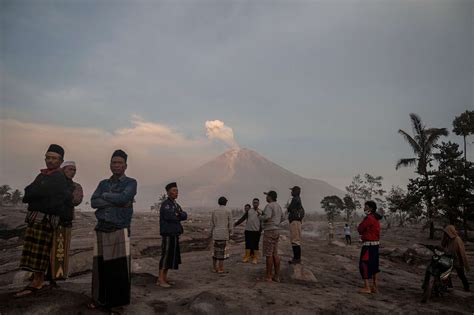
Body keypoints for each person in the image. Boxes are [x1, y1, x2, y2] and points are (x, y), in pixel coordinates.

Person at [14, 144, 72, 298]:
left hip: (46, 220)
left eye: (54, 158)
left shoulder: (59, 177)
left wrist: (37, 196)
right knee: (33, 251)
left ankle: (38, 282)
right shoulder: (42, 175)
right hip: (36, 219)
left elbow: (48, 201)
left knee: (40, 251)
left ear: (60, 161)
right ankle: (36, 279)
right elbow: (27, 194)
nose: (50, 161)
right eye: (48, 157)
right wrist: (38, 196)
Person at [88, 150, 137, 313]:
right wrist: (116, 199)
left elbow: (125, 198)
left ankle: (117, 303)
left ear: (125, 165)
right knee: (100, 266)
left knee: (118, 267)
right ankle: (100, 299)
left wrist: (107, 197)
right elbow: (94, 202)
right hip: (101, 228)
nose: (116, 165)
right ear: (110, 164)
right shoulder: (103, 183)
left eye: (119, 163)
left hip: (118, 228)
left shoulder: (131, 182)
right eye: (113, 162)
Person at [47, 160, 83, 286]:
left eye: (74, 170)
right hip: (49, 220)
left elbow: (76, 200)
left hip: (65, 221)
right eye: (70, 169)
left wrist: (62, 196)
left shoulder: (76, 186)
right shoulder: (54, 182)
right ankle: (42, 277)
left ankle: (56, 277)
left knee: (61, 250)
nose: (72, 172)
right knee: (47, 249)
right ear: (63, 169)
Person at [158, 182, 188, 288]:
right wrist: (178, 215)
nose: (176, 193)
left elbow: (184, 215)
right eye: (174, 191)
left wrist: (178, 214)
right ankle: (160, 279)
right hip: (168, 234)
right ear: (168, 192)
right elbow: (170, 216)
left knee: (171, 257)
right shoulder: (166, 204)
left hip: (174, 234)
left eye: (177, 191)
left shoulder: (175, 204)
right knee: (166, 256)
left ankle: (165, 278)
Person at [258, 190, 286, 283]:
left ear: (270, 197)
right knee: (275, 254)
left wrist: (260, 217)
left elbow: (267, 216)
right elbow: (283, 217)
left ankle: (268, 276)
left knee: (268, 254)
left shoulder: (269, 206)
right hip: (277, 230)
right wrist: (276, 222)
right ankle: (277, 276)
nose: (266, 198)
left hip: (269, 230)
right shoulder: (278, 206)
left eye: (267, 196)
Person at [357, 201, 382, 294]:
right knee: (374, 265)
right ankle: (374, 287)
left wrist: (363, 231)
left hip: (368, 246)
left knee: (364, 265)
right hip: (375, 245)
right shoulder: (376, 218)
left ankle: (367, 287)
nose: (364, 208)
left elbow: (360, 229)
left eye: (366, 207)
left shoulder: (369, 218)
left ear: (371, 208)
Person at [441, 225, 470, 291]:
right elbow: (443, 245)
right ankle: (449, 286)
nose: (446, 234)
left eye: (447, 232)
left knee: (461, 275)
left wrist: (463, 263)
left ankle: (466, 287)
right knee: (445, 272)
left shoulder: (457, 240)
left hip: (457, 260)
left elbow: (462, 252)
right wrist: (444, 238)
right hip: (448, 258)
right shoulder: (448, 239)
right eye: (445, 232)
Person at [234, 199, 262, 264]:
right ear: (252, 203)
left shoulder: (261, 211)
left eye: (256, 203)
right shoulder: (249, 211)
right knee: (248, 244)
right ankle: (246, 257)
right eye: (254, 203)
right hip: (248, 230)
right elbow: (243, 218)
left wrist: (260, 231)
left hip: (256, 231)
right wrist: (236, 224)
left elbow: (262, 222)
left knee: (256, 245)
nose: (255, 204)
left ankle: (255, 258)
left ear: (258, 204)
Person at [211, 197, 233, 273]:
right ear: (225, 202)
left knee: (215, 252)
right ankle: (221, 268)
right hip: (224, 234)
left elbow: (212, 223)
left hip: (216, 233)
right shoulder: (228, 211)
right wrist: (231, 232)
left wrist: (211, 233)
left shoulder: (214, 211)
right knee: (222, 252)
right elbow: (230, 224)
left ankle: (214, 268)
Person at [287, 186, 304, 264]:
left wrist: (288, 207)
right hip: (297, 222)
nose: (291, 192)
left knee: (295, 241)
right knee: (296, 240)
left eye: (292, 191)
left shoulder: (295, 199)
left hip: (295, 222)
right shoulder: (298, 199)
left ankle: (296, 259)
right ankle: (297, 258)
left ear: (296, 192)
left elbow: (289, 208)